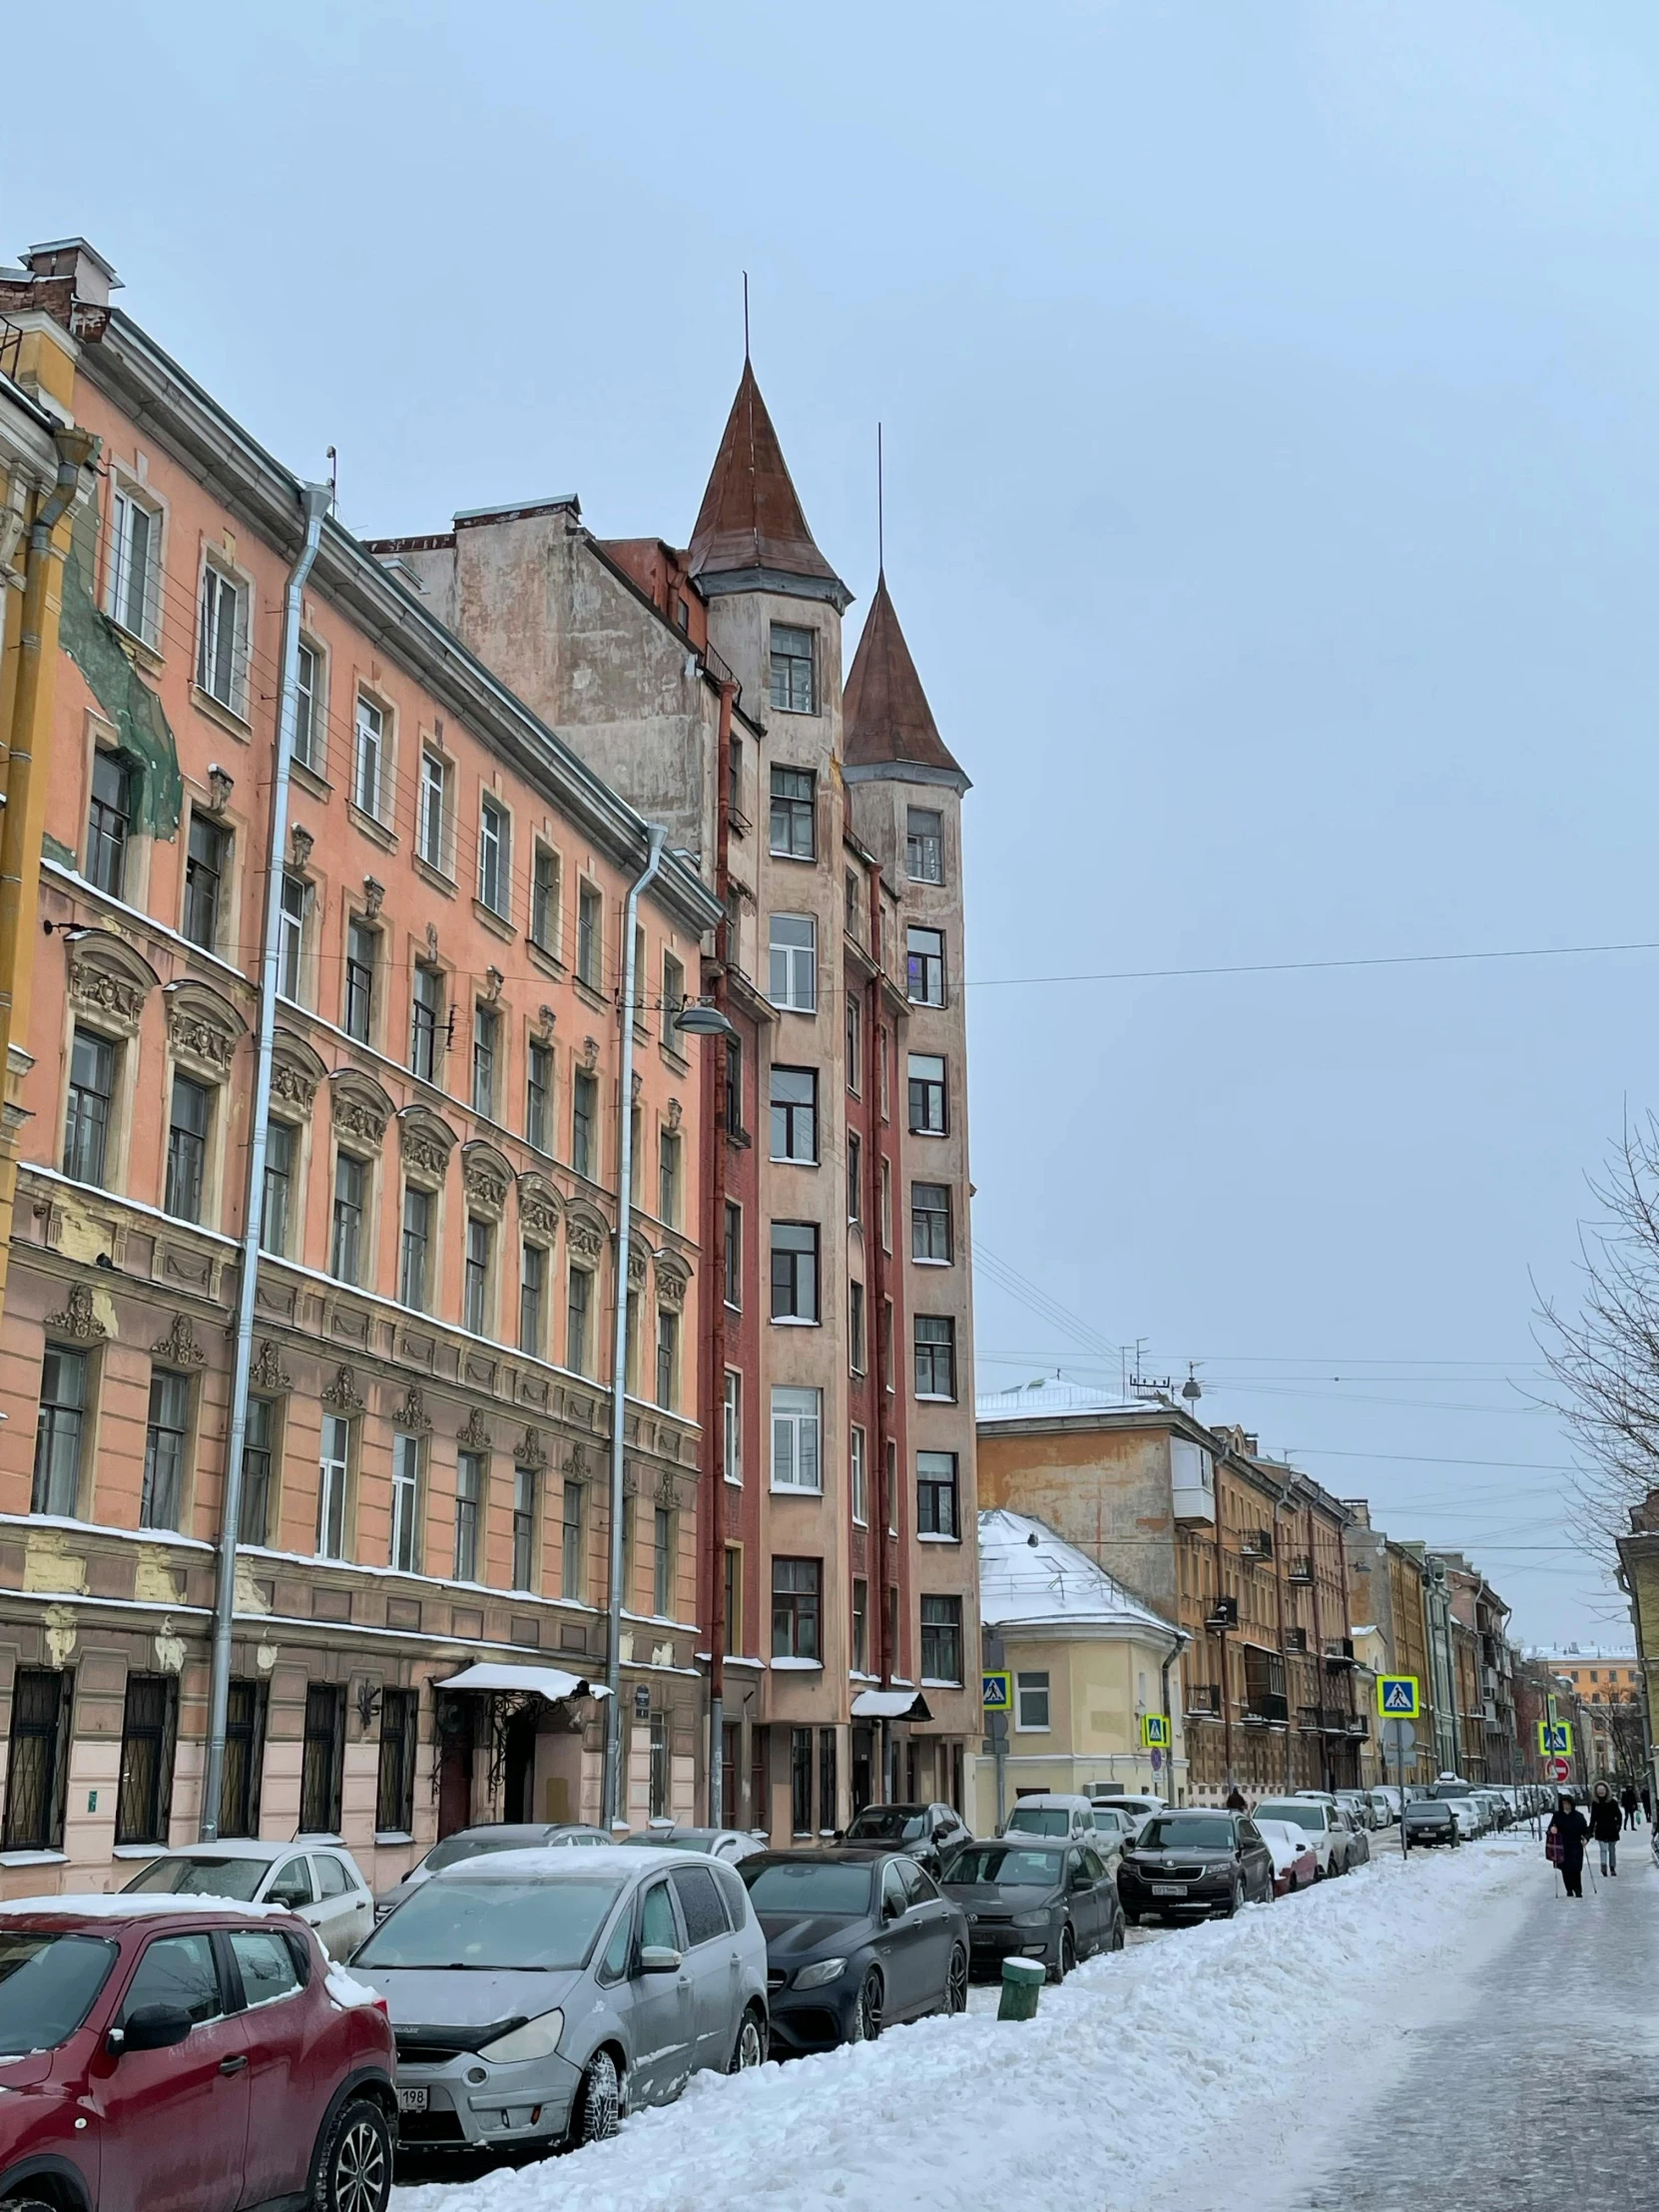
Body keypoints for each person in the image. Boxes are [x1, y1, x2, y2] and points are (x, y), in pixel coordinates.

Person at [1547, 1792, 1589, 1897]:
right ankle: (1569, 1889)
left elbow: (1586, 1831)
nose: (1565, 1806)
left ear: (1571, 1804)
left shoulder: (1579, 1816)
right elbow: (1550, 1829)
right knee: (1565, 1869)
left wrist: (1585, 1838)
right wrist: (1552, 1829)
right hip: (1562, 1846)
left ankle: (1578, 1889)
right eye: (1563, 1803)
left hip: (1576, 1846)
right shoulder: (1557, 1816)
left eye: (1567, 1803)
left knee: (1576, 1869)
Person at [1587, 1782, 1621, 1876]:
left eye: (1603, 1791)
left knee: (1612, 1849)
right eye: (1599, 1791)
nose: (1601, 1793)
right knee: (1603, 1849)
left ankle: (1612, 1867)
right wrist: (1590, 1829)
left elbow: (1619, 1815)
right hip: (1601, 1829)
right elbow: (1593, 1817)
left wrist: (1618, 1825)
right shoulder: (1595, 1803)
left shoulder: (1612, 1802)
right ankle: (1603, 1866)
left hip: (1612, 1829)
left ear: (1607, 1790)